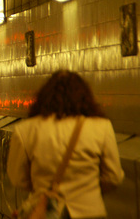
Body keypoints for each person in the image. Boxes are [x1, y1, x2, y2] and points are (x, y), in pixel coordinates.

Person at [7, 70, 124, 219]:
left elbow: (18, 179)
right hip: (89, 212)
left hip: (46, 213)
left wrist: (42, 187)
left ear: (45, 97)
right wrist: (88, 189)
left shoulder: (25, 130)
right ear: (84, 97)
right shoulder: (101, 127)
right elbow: (114, 177)